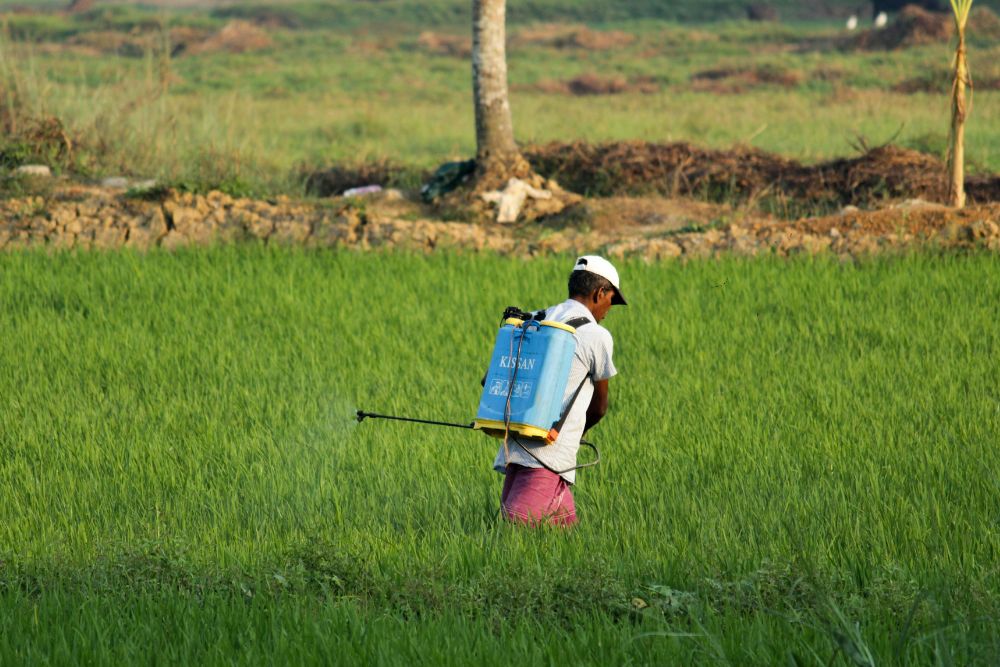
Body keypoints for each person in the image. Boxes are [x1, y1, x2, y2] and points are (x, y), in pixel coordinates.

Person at [493, 255, 626, 527]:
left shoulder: (535, 318)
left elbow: (493, 377)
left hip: (517, 446)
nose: (609, 309)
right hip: (549, 456)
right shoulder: (596, 335)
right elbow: (600, 407)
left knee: (561, 537)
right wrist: (578, 435)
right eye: (611, 299)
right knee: (516, 530)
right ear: (599, 293)